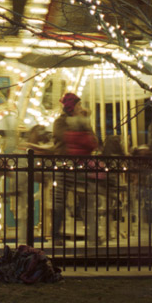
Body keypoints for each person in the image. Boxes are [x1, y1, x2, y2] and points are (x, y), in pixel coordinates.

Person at [51, 92, 100, 240]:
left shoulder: (83, 121)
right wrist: (81, 125)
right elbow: (63, 137)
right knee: (59, 201)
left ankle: (93, 234)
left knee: (87, 200)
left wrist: (84, 122)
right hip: (64, 164)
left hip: (81, 165)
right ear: (71, 107)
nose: (81, 107)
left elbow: (93, 140)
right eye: (78, 104)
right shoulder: (60, 122)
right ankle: (56, 234)